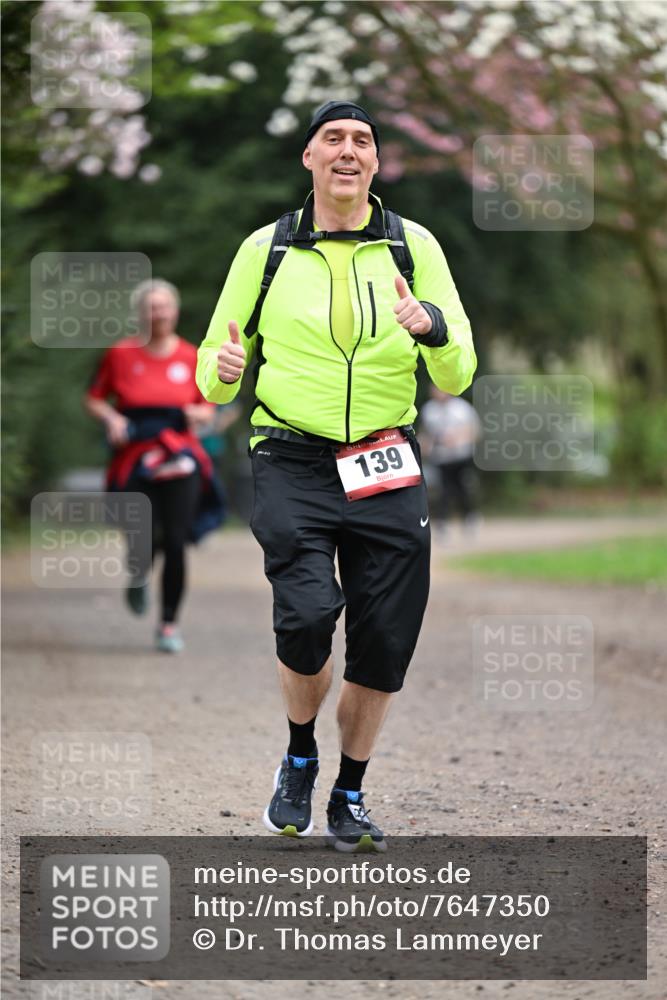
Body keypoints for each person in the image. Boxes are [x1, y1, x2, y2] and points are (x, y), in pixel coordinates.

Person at [197, 101, 476, 850]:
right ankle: (299, 756)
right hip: (291, 457)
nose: (348, 150)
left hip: (386, 459)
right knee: (307, 615)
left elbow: (458, 371)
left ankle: (349, 793)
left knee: (384, 639)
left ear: (376, 162)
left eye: (362, 140)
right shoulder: (267, 249)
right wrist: (224, 369)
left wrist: (431, 328)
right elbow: (212, 369)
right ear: (310, 158)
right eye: (333, 139)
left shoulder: (413, 248)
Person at [85, 279, 222, 653]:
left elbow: (209, 407)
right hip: (135, 454)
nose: (157, 313)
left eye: (163, 306)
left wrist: (200, 414)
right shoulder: (119, 354)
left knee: (176, 540)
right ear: (139, 313)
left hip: (180, 453)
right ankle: (138, 571)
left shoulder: (193, 356)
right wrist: (112, 419)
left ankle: (168, 624)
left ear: (175, 311)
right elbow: (94, 398)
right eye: (150, 307)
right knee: (139, 535)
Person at [419, 386, 481, 534]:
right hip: (441, 458)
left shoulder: (462, 408)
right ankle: (442, 523)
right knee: (443, 491)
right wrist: (424, 445)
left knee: (463, 489)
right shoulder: (429, 410)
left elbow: (475, 431)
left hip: (461, 457)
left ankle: (469, 517)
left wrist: (457, 438)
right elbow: (425, 433)